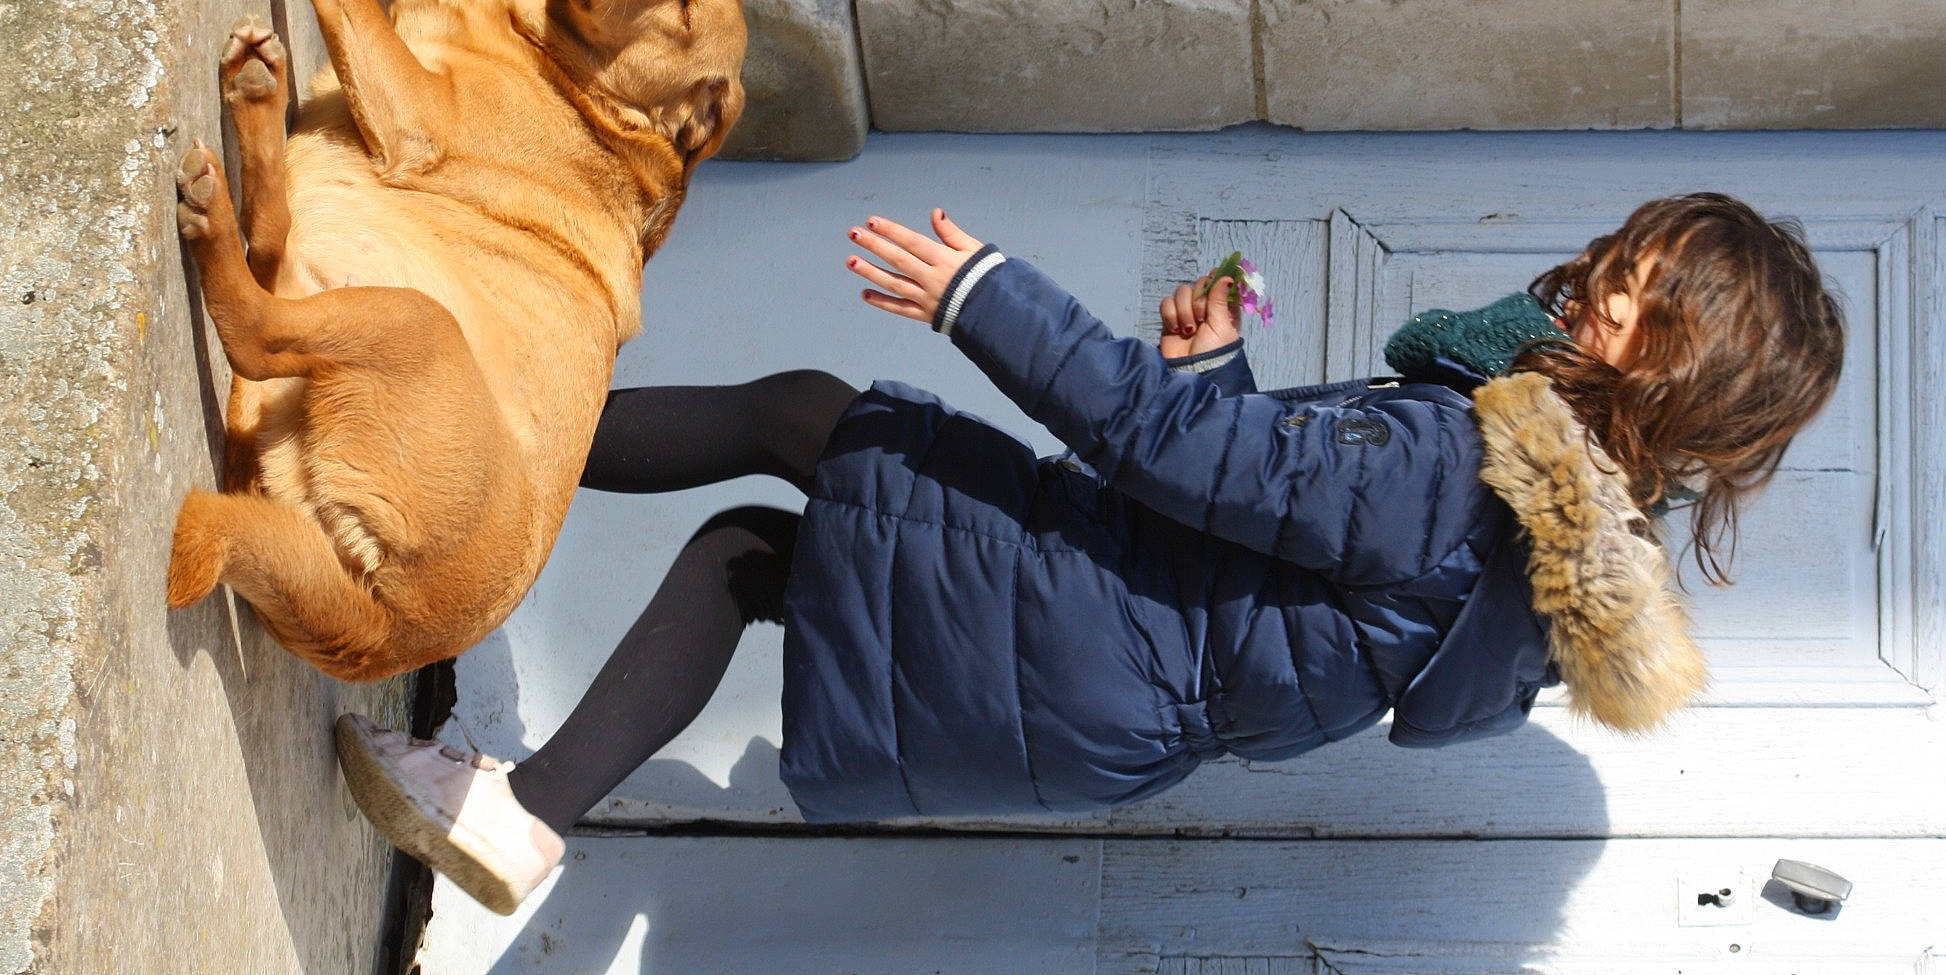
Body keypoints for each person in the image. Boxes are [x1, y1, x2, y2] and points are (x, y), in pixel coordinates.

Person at [334, 192, 1845, 915]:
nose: (1599, 301)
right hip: (1104, 691)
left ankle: (437, 441)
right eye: (1624, 271)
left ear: (1682, 392)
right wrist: (1214, 373)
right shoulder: (1512, 538)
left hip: (1085, 608)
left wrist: (982, 291)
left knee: (803, 419)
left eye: (1645, 313)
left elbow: (1182, 467)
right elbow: (1264, 556)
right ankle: (522, 815)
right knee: (753, 559)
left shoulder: (1455, 465)